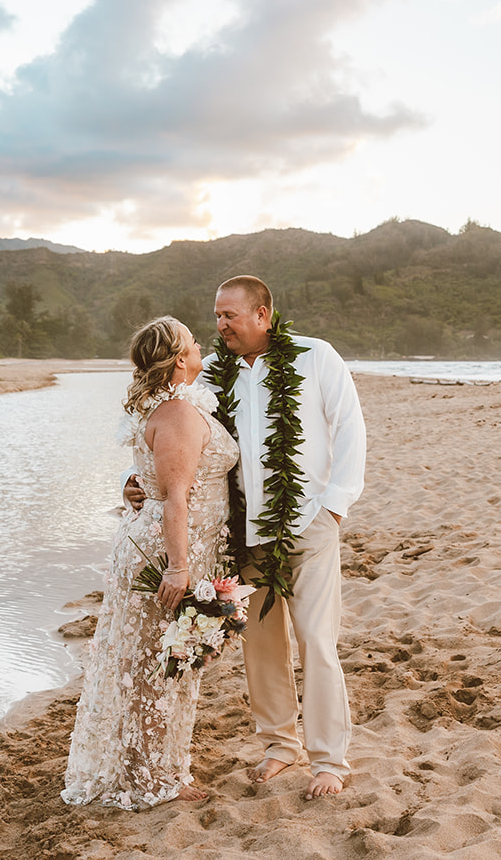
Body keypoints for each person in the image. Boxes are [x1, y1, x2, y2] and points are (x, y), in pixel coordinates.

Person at [126, 276, 366, 799]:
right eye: (215, 316)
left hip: (310, 523)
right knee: (261, 645)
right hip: (245, 531)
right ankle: (280, 745)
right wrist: (140, 481)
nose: (219, 325)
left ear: (262, 315)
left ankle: (329, 760)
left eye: (229, 315)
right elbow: (176, 431)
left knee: (318, 642)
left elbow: (350, 428)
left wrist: (335, 506)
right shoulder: (213, 370)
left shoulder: (315, 357)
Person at [62, 316, 239, 810]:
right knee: (155, 667)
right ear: (181, 358)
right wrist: (179, 568)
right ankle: (148, 779)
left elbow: (153, 477)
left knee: (163, 662)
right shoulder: (179, 412)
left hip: (170, 545)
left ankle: (157, 769)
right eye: (194, 342)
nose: (203, 344)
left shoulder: (169, 406)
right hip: (164, 554)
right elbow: (176, 497)